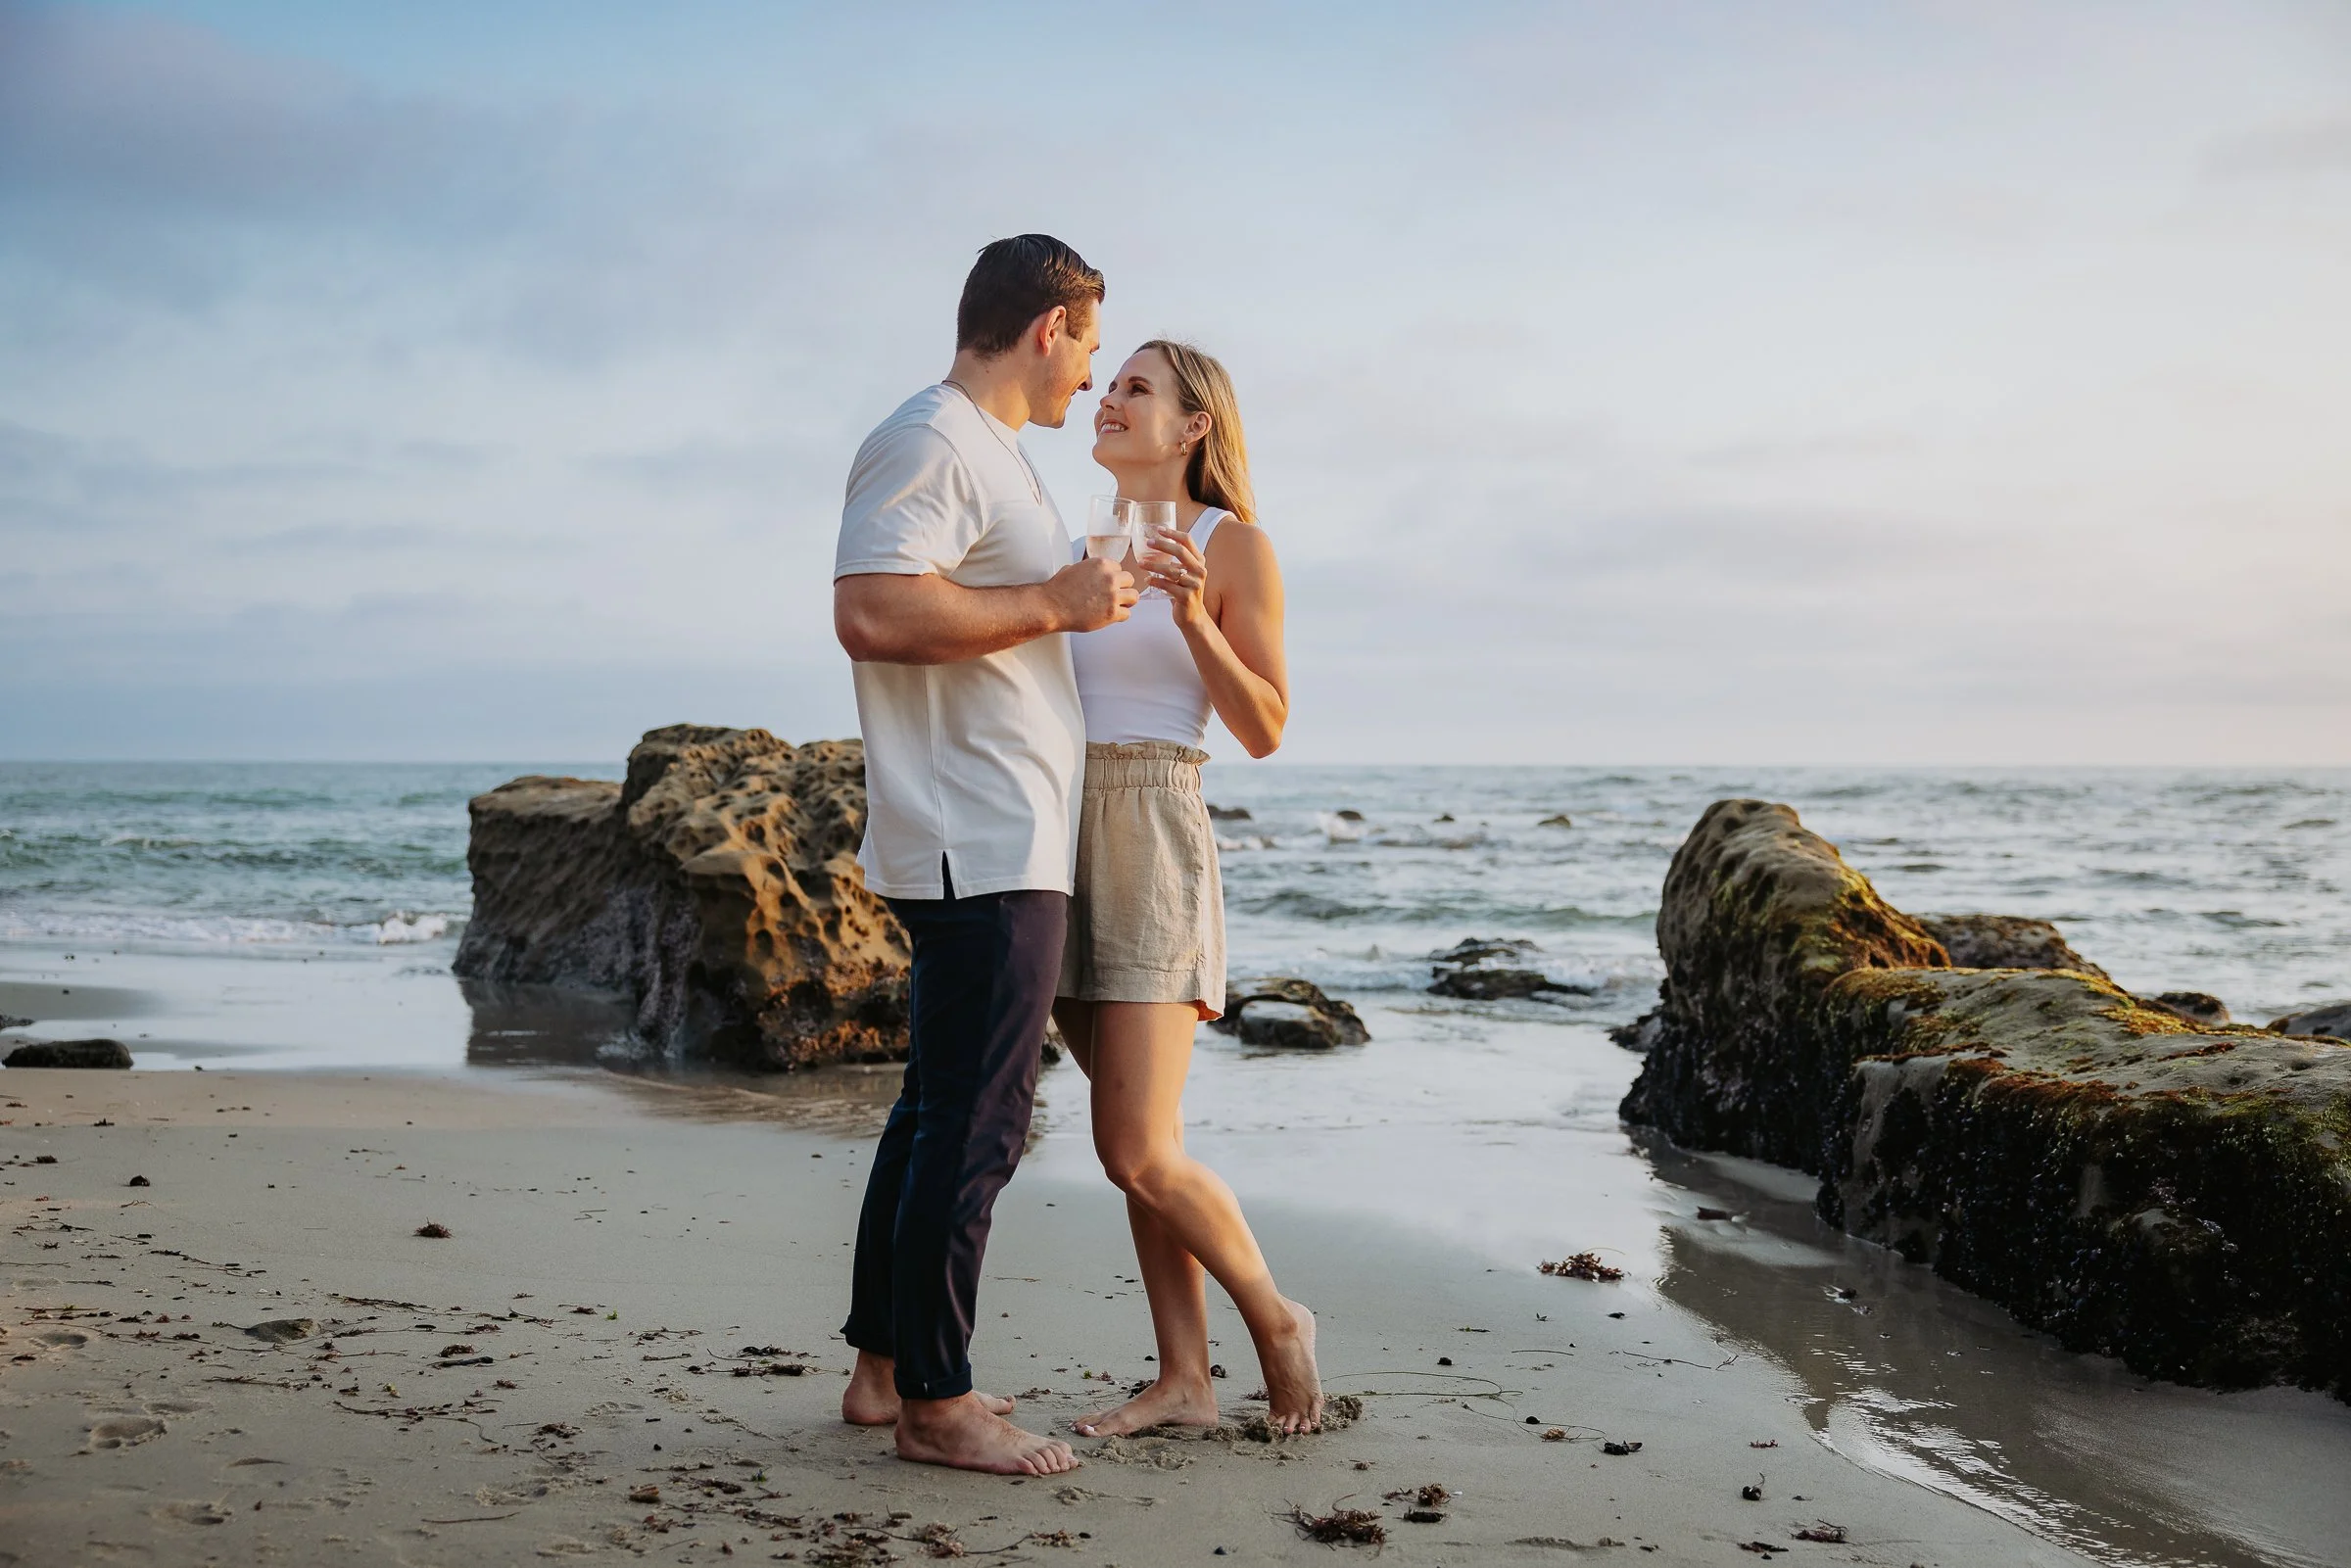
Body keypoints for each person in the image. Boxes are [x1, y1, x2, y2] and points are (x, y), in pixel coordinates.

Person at [831, 235, 1135, 1477]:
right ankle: (937, 1405)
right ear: (1051, 325)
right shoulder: (933, 439)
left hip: (998, 827)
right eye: (1090, 351)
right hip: (979, 833)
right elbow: (869, 607)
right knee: (982, 1123)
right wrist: (1058, 605)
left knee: (935, 1108)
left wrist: (1082, 595)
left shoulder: (992, 453)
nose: (1088, 381)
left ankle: (885, 1369)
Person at [1053, 340, 1323, 1437]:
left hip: (1155, 824)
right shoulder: (1074, 546)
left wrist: (1196, 612)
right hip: (1059, 827)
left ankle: (1277, 1319)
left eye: (1136, 388)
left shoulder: (1234, 543)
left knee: (1135, 1147)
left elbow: (1265, 725)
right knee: (1138, 1142)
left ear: (1193, 424)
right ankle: (1185, 1380)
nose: (1107, 398)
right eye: (1108, 383)